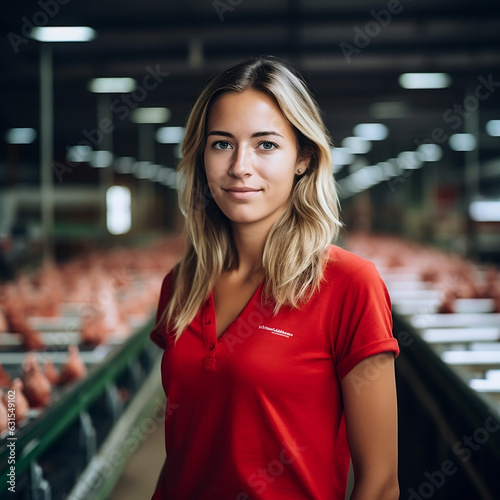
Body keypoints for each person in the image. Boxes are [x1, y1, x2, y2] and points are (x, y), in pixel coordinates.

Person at [150, 56, 400, 500]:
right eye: (222, 144)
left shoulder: (347, 284)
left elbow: (380, 485)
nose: (240, 167)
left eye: (265, 145)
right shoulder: (181, 285)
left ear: (303, 158)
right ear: (202, 156)